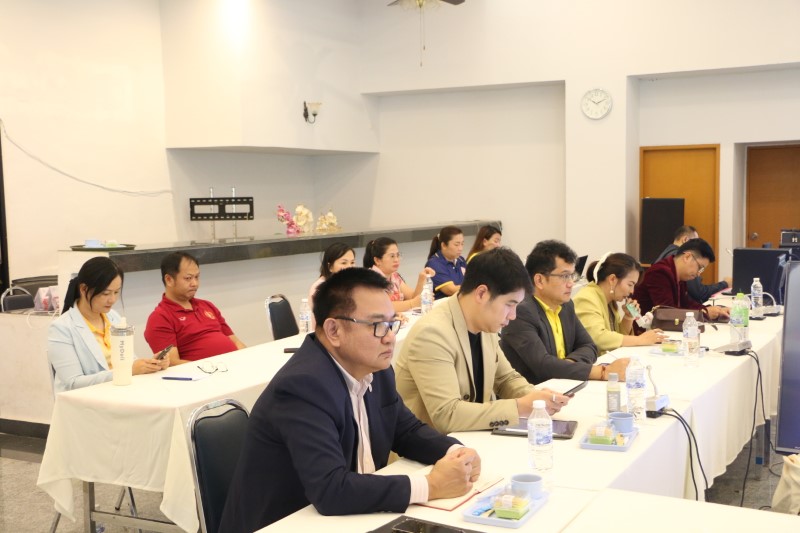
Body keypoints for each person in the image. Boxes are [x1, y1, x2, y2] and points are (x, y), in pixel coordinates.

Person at [219, 268, 481, 531]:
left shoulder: (376, 369)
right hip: (284, 524)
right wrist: (430, 486)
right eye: (377, 326)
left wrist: (456, 453)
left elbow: (406, 431)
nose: (390, 337)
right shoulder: (302, 386)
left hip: (351, 519)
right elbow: (330, 489)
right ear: (334, 330)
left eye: (392, 323)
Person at [395, 248, 570, 435]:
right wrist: (519, 407)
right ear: (481, 294)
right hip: (430, 447)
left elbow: (505, 379)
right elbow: (447, 415)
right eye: (509, 305)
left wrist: (537, 398)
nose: (513, 316)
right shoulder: (432, 333)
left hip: (469, 439)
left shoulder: (485, 323)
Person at [500, 240, 629, 384]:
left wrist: (566, 366)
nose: (571, 283)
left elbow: (589, 346)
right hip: (534, 392)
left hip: (565, 385)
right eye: (564, 276)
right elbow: (543, 365)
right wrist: (603, 372)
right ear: (540, 280)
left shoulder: (566, 306)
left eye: (572, 275)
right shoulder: (520, 312)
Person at [48, 257, 168, 392]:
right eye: (105, 293)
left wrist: (150, 364)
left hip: (119, 392)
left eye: (116, 292)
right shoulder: (61, 328)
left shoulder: (113, 318)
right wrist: (126, 371)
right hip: (87, 400)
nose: (112, 299)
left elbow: (129, 360)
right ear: (83, 289)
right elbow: (73, 383)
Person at [144, 252, 246, 364]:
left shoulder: (207, 305)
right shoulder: (160, 317)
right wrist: (211, 369)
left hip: (236, 365)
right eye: (188, 278)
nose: (195, 283)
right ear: (169, 280)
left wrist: (247, 359)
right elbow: (172, 364)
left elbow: (236, 342)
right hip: (206, 372)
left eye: (197, 277)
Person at [573, 253, 668, 354]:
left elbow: (617, 337)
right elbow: (598, 337)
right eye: (630, 284)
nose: (632, 291)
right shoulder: (586, 298)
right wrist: (640, 339)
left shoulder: (609, 301)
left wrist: (628, 317)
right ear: (612, 279)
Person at [633, 238, 730, 320]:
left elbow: (686, 304)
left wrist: (714, 310)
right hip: (644, 331)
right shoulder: (660, 272)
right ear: (687, 257)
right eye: (700, 267)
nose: (698, 274)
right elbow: (666, 313)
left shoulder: (678, 274)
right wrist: (704, 313)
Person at [654, 225, 731, 303]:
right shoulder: (678, 261)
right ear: (685, 239)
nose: (698, 273)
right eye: (699, 267)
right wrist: (725, 284)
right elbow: (699, 292)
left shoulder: (666, 253)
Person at [363, 237, 435, 312]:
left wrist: (422, 278)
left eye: (397, 255)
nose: (396, 260)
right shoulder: (370, 279)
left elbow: (412, 297)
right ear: (377, 260)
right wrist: (412, 303)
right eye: (392, 256)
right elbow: (383, 306)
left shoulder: (394, 276)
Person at [308, 242, 356, 327]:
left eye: (352, 262)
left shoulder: (347, 284)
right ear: (330, 267)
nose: (350, 267)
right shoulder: (320, 287)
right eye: (344, 263)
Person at [425, 225, 467, 299]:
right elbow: (451, 290)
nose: (460, 248)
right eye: (456, 244)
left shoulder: (461, 260)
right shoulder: (434, 264)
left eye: (462, 244)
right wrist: (473, 288)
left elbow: (471, 280)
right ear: (444, 245)